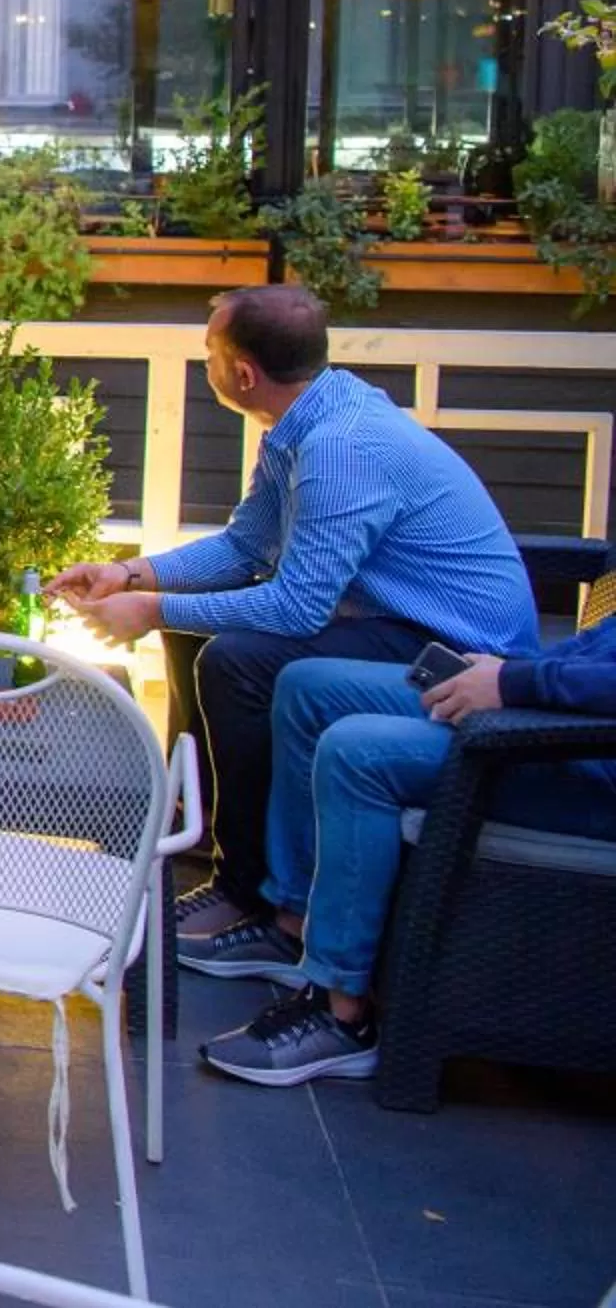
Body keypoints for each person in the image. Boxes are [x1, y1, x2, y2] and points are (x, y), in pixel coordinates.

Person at [50, 285, 536, 953]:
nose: (207, 364)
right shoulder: (304, 422)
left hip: (456, 653)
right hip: (392, 622)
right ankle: (231, 852)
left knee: (237, 659)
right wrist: (133, 575)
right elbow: (246, 547)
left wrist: (152, 609)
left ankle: (253, 895)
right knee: (204, 640)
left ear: (242, 373)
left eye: (210, 352)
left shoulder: (341, 448)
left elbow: (297, 607)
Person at [193, 621, 616, 1086]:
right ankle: (294, 925)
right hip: (557, 702)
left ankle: (341, 1011)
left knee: (356, 752)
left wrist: (514, 684)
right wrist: (511, 671)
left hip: (584, 755)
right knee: (306, 685)